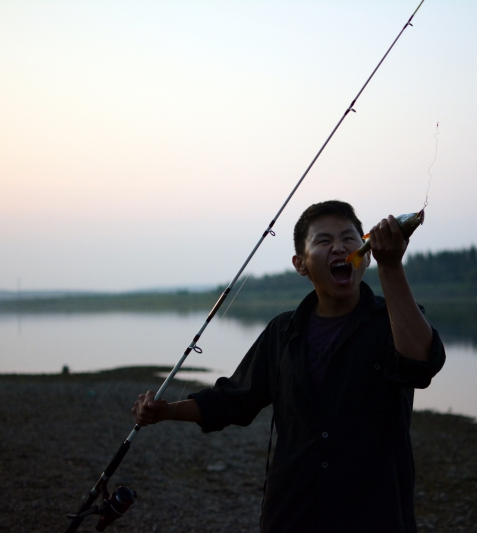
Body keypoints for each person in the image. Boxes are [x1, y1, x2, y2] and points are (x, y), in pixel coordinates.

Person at [132, 200, 445, 533]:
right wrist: (165, 410)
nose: (339, 246)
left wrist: (392, 266)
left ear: (366, 253)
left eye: (349, 239)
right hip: (292, 513)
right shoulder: (282, 332)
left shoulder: (394, 321)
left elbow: (420, 366)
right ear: (301, 264)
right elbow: (232, 400)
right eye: (323, 241)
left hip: (376, 516)